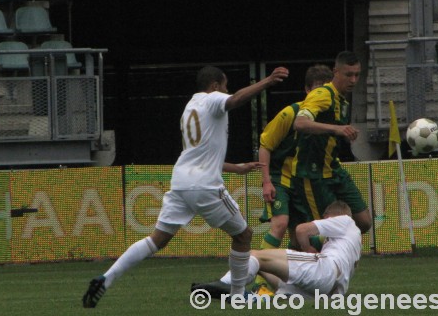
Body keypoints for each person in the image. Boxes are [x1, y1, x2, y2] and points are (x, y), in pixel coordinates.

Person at [82, 65, 289, 308]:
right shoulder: (213, 100)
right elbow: (235, 100)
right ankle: (237, 295)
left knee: (156, 240)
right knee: (243, 235)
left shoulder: (190, 107)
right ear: (214, 86)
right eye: (224, 85)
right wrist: (267, 82)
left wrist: (236, 167)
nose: (226, 90)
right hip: (205, 186)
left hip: (181, 182)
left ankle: (106, 279)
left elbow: (199, 155)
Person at [254, 64, 333, 295]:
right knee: (279, 223)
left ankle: (291, 284)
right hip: (280, 178)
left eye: (325, 91)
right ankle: (260, 283)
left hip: (304, 181)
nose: (320, 96)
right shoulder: (290, 114)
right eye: (316, 90)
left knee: (303, 236)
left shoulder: (328, 120)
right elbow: (265, 145)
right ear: (306, 90)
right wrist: (266, 181)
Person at [192, 200, 361, 299]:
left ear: (329, 216)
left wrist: (308, 248)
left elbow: (302, 230)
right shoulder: (352, 244)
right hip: (325, 290)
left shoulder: (345, 220)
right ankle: (252, 298)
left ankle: (228, 285)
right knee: (260, 267)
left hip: (323, 270)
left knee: (252, 255)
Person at [292, 51, 372, 234]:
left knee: (364, 222)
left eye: (357, 75)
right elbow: (300, 123)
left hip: (333, 170)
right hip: (312, 174)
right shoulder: (322, 94)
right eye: (348, 75)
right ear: (335, 71)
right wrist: (336, 129)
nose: (353, 80)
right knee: (324, 230)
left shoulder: (342, 100)